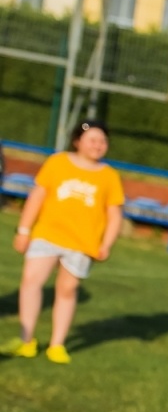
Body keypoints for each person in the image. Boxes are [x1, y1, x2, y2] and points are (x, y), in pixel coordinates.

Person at [4, 120, 124, 364]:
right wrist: (24, 230)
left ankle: (57, 345)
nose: (98, 145)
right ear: (77, 141)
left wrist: (106, 244)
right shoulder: (57, 162)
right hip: (47, 234)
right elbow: (38, 196)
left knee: (67, 291)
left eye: (102, 141)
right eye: (92, 139)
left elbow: (114, 214)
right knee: (31, 281)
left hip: (82, 243)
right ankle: (26, 340)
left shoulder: (109, 176)